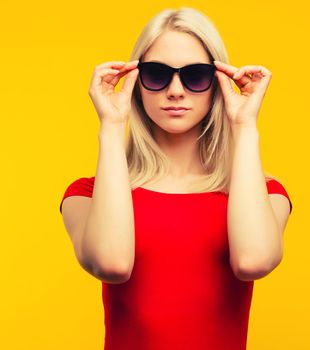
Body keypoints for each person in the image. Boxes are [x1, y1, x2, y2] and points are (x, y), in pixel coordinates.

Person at [59, 6, 293, 350]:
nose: (176, 90)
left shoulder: (264, 193)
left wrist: (244, 127)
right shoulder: (87, 195)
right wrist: (110, 126)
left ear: (217, 84)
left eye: (195, 76)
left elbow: (253, 261)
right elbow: (112, 264)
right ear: (136, 84)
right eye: (157, 74)